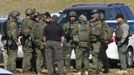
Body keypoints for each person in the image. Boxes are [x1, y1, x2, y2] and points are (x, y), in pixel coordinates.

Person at [21, 8, 35, 73]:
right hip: (28, 40)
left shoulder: (23, 21)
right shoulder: (30, 22)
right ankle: (27, 69)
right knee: (28, 55)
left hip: (24, 40)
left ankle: (24, 68)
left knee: (26, 55)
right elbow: (34, 30)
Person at [90, 10, 104, 75]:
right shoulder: (92, 24)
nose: (92, 18)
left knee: (95, 56)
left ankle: (95, 70)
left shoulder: (99, 24)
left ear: (96, 17)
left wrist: (91, 31)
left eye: (93, 17)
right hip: (93, 42)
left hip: (97, 42)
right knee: (96, 56)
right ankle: (98, 69)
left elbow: (98, 33)